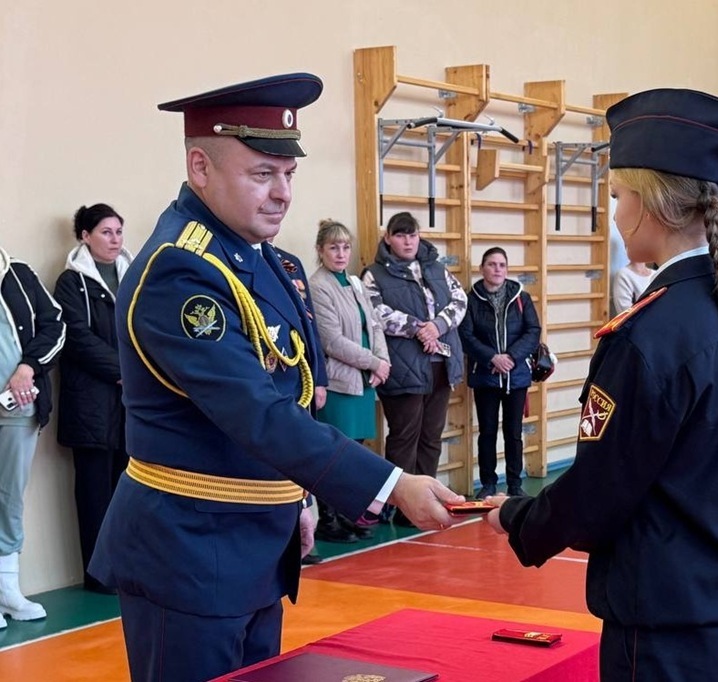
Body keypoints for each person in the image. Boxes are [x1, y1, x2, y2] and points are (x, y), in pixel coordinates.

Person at [87, 73, 461, 682]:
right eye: (262, 174)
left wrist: (300, 497)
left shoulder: (271, 263)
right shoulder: (180, 273)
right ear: (200, 166)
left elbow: (297, 393)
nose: (282, 193)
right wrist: (392, 484)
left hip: (259, 541)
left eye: (289, 175)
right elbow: (257, 412)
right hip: (190, 551)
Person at [485, 89, 718, 681]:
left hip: (669, 635)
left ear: (651, 206)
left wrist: (519, 519)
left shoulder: (649, 337)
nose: (616, 213)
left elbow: (602, 488)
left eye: (619, 196)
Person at [362, 211, 467, 521]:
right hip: (404, 366)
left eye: (412, 234)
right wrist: (418, 327)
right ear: (388, 238)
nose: (407, 240)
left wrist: (437, 325)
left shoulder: (437, 268)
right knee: (404, 437)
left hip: (441, 364)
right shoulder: (374, 274)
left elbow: (459, 301)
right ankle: (400, 506)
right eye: (400, 234)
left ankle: (427, 503)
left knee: (431, 436)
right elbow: (375, 312)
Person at [53, 203, 132, 595]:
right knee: (94, 492)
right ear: (84, 236)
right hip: (91, 404)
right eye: (106, 232)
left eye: (118, 231)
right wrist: (123, 371)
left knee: (126, 490)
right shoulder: (71, 282)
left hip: (126, 404)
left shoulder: (132, 277)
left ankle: (125, 568)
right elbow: (78, 339)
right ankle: (98, 575)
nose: (115, 239)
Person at [308, 219, 389, 540]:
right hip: (341, 383)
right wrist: (373, 362)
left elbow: (376, 326)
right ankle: (328, 520)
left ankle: (347, 514)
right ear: (320, 250)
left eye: (345, 247)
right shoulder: (318, 285)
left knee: (355, 454)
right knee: (334, 456)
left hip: (364, 382)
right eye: (333, 247)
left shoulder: (355, 283)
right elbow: (332, 340)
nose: (341, 254)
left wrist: (382, 361)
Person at [0, 247, 65, 629]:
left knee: (9, 497)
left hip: (17, 407)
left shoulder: (19, 274)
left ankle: (8, 590)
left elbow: (54, 325)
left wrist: (28, 367)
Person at [267, 239, 331, 563]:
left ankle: (306, 531)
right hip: (268, 382)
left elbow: (309, 325)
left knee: (303, 457)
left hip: (300, 380)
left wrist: (318, 376)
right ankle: (284, 538)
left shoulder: (289, 262)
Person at [459, 247, 540, 499]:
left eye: (502, 265)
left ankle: (515, 485)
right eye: (492, 264)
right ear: (482, 268)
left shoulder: (521, 298)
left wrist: (511, 358)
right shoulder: (471, 299)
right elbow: (466, 335)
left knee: (514, 433)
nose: (497, 269)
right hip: (486, 377)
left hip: (516, 377)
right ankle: (489, 484)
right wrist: (491, 358)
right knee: (487, 432)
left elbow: (533, 331)